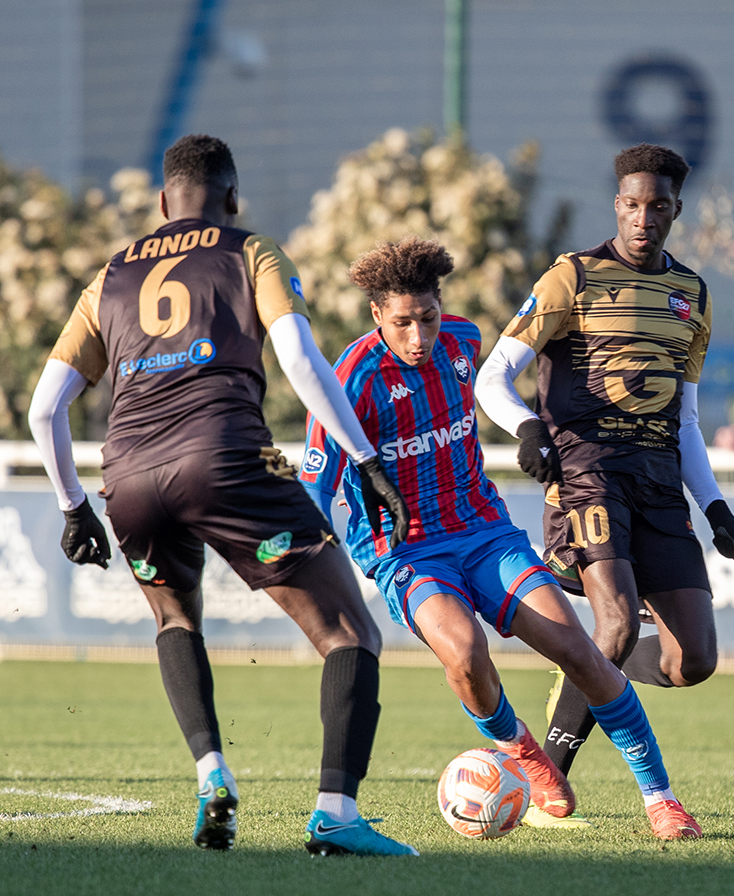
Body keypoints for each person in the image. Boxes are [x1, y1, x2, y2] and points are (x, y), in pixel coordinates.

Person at [29, 135, 416, 857]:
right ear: (232, 198)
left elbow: (44, 407)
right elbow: (299, 355)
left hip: (129, 476)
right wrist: (364, 457)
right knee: (350, 632)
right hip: (229, 457)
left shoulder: (110, 275)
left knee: (175, 616)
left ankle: (212, 774)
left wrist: (73, 506)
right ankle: (336, 812)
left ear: (161, 203)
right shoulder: (251, 250)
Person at [301, 236, 703, 839]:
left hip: (484, 533)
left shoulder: (464, 342)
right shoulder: (349, 380)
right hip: (407, 551)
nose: (420, 337)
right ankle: (522, 750)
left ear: (442, 306)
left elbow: (498, 386)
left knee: (581, 651)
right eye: (403, 323)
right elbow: (315, 485)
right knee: (464, 655)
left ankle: (660, 797)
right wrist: (308, 563)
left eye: (428, 318)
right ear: (377, 315)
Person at [474, 143, 734, 826]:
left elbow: (685, 418)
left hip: (659, 481)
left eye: (657, 206)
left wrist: (714, 504)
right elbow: (490, 377)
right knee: (619, 624)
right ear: (617, 204)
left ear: (675, 210)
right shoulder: (573, 276)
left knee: (695, 659)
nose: (643, 217)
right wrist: (527, 431)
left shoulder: (692, 293)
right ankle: (549, 783)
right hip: (587, 470)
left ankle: (586, 667)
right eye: (631, 204)